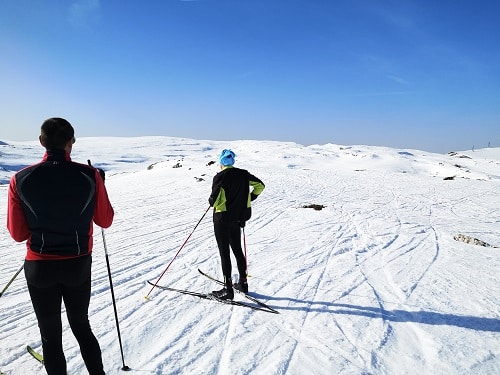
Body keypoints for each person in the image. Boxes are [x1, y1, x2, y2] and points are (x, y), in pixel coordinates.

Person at [7, 118, 114, 375]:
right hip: (77, 264)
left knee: (50, 337)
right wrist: (100, 184)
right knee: (81, 327)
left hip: (39, 266)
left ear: (41, 141)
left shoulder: (20, 179)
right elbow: (105, 220)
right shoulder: (89, 175)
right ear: (71, 143)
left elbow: (18, 234)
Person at [208, 149, 265, 300]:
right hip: (238, 219)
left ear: (221, 163)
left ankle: (228, 289)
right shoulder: (243, 174)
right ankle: (243, 284)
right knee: (238, 250)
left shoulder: (220, 177)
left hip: (222, 219)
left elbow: (214, 201)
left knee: (224, 252)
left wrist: (214, 200)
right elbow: (260, 185)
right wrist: (250, 197)